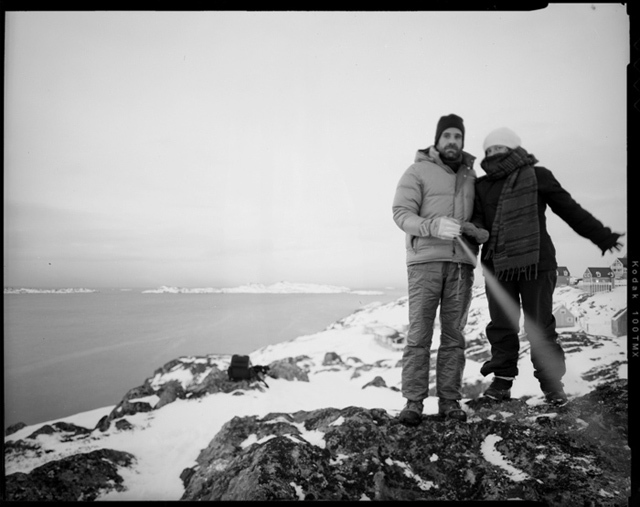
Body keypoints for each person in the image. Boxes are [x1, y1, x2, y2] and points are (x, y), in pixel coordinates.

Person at [471, 127, 624, 406]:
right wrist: (478, 230)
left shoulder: (538, 176)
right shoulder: (481, 186)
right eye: (489, 150)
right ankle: (502, 382)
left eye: (500, 148)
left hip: (536, 263)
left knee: (540, 326)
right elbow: (478, 219)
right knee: (502, 325)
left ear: (514, 149)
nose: (493, 154)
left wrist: (601, 235)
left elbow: (569, 209)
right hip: (497, 265)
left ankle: (552, 386)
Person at [392, 114, 488, 425]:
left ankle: (449, 402)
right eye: (446, 136)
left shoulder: (472, 177)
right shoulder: (417, 171)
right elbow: (401, 213)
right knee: (419, 334)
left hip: (461, 265)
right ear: (437, 140)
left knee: (454, 336)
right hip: (425, 264)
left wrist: (474, 231)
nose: (452, 142)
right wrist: (433, 225)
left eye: (457, 137)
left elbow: (481, 220)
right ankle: (413, 403)